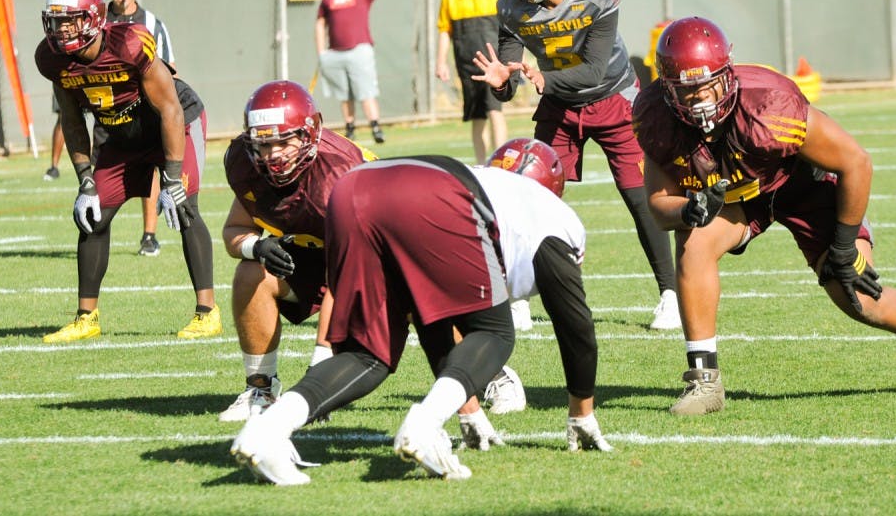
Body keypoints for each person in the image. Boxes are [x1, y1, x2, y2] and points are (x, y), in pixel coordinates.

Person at [632, 15, 896, 415]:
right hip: (740, 197)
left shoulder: (770, 104)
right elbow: (658, 206)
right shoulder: (655, 116)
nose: (701, 99)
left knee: (856, 294)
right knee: (693, 241)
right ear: (666, 90)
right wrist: (689, 208)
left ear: (728, 73)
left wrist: (843, 247)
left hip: (804, 185)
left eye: (708, 85)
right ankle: (705, 382)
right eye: (687, 91)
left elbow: (855, 162)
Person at [230, 147, 612, 485]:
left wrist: (468, 412)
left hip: (354, 188)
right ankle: (424, 426)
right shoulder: (554, 220)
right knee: (496, 332)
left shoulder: (495, 190)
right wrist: (581, 414)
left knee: (369, 354)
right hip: (430, 192)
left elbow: (432, 319)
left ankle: (269, 428)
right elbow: (574, 324)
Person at [471, 0, 681, 330]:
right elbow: (511, 76)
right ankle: (516, 296)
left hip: (613, 98)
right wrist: (502, 83)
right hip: (558, 107)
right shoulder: (511, 5)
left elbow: (594, 68)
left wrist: (543, 78)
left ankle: (670, 293)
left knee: (641, 199)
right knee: (529, 199)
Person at [35, 0, 221, 342]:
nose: (61, 29)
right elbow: (71, 120)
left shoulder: (130, 43)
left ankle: (207, 311)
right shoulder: (52, 58)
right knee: (92, 216)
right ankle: (87, 317)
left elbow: (169, 108)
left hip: (173, 122)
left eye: (69, 19)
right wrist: (85, 179)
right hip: (121, 134)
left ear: (93, 17)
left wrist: (170, 178)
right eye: (56, 21)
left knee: (185, 207)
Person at [218, 80, 375, 422]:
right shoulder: (246, 164)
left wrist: (320, 372)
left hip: (378, 255)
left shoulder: (338, 176)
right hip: (314, 250)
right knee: (251, 272)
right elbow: (234, 230)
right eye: (264, 144)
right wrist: (255, 246)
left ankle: (483, 372)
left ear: (309, 134)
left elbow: (344, 276)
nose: (272, 155)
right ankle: (261, 388)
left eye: (283, 142)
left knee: (424, 309)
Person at [105, 0, 177, 257]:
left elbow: (171, 68)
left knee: (151, 171)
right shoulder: (98, 22)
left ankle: (149, 235)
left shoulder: (152, 24)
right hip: (107, 114)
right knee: (102, 178)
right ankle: (98, 236)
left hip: (144, 111)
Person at [435, 0, 509, 164]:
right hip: (466, 61)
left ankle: (501, 163)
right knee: (477, 116)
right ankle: (481, 166)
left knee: (495, 110)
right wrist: (441, 62)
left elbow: (512, 24)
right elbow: (445, 29)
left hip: (493, 61)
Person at [315, 0, 389, 143]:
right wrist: (321, 52)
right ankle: (350, 127)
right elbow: (320, 24)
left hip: (359, 50)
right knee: (344, 94)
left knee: (366, 91)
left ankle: (375, 127)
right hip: (336, 53)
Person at [43, 0, 87, 182]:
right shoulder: (57, 1)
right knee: (64, 116)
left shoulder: (85, 1)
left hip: (88, 69)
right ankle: (53, 165)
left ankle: (102, 161)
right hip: (67, 68)